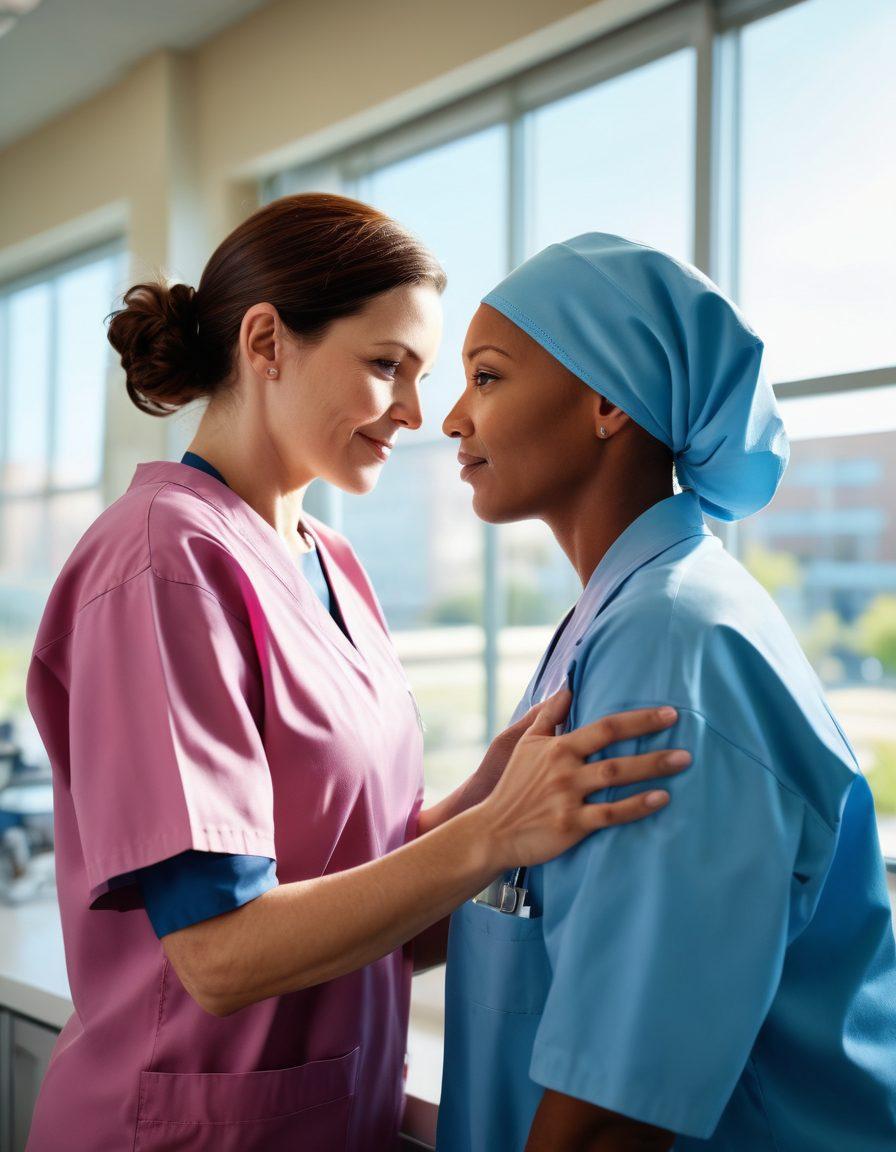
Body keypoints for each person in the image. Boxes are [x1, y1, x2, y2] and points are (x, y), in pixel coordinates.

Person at [23, 198, 690, 1152]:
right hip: (180, 1130)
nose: (418, 413)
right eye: (387, 366)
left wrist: (486, 797)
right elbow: (218, 955)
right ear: (267, 342)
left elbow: (366, 887)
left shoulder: (330, 560)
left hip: (333, 1113)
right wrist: (491, 834)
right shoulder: (161, 564)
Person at [437, 232, 896, 1152]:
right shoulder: (618, 617)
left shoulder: (674, 644)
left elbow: (617, 1109)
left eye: (487, 377)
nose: (452, 419)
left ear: (607, 402)